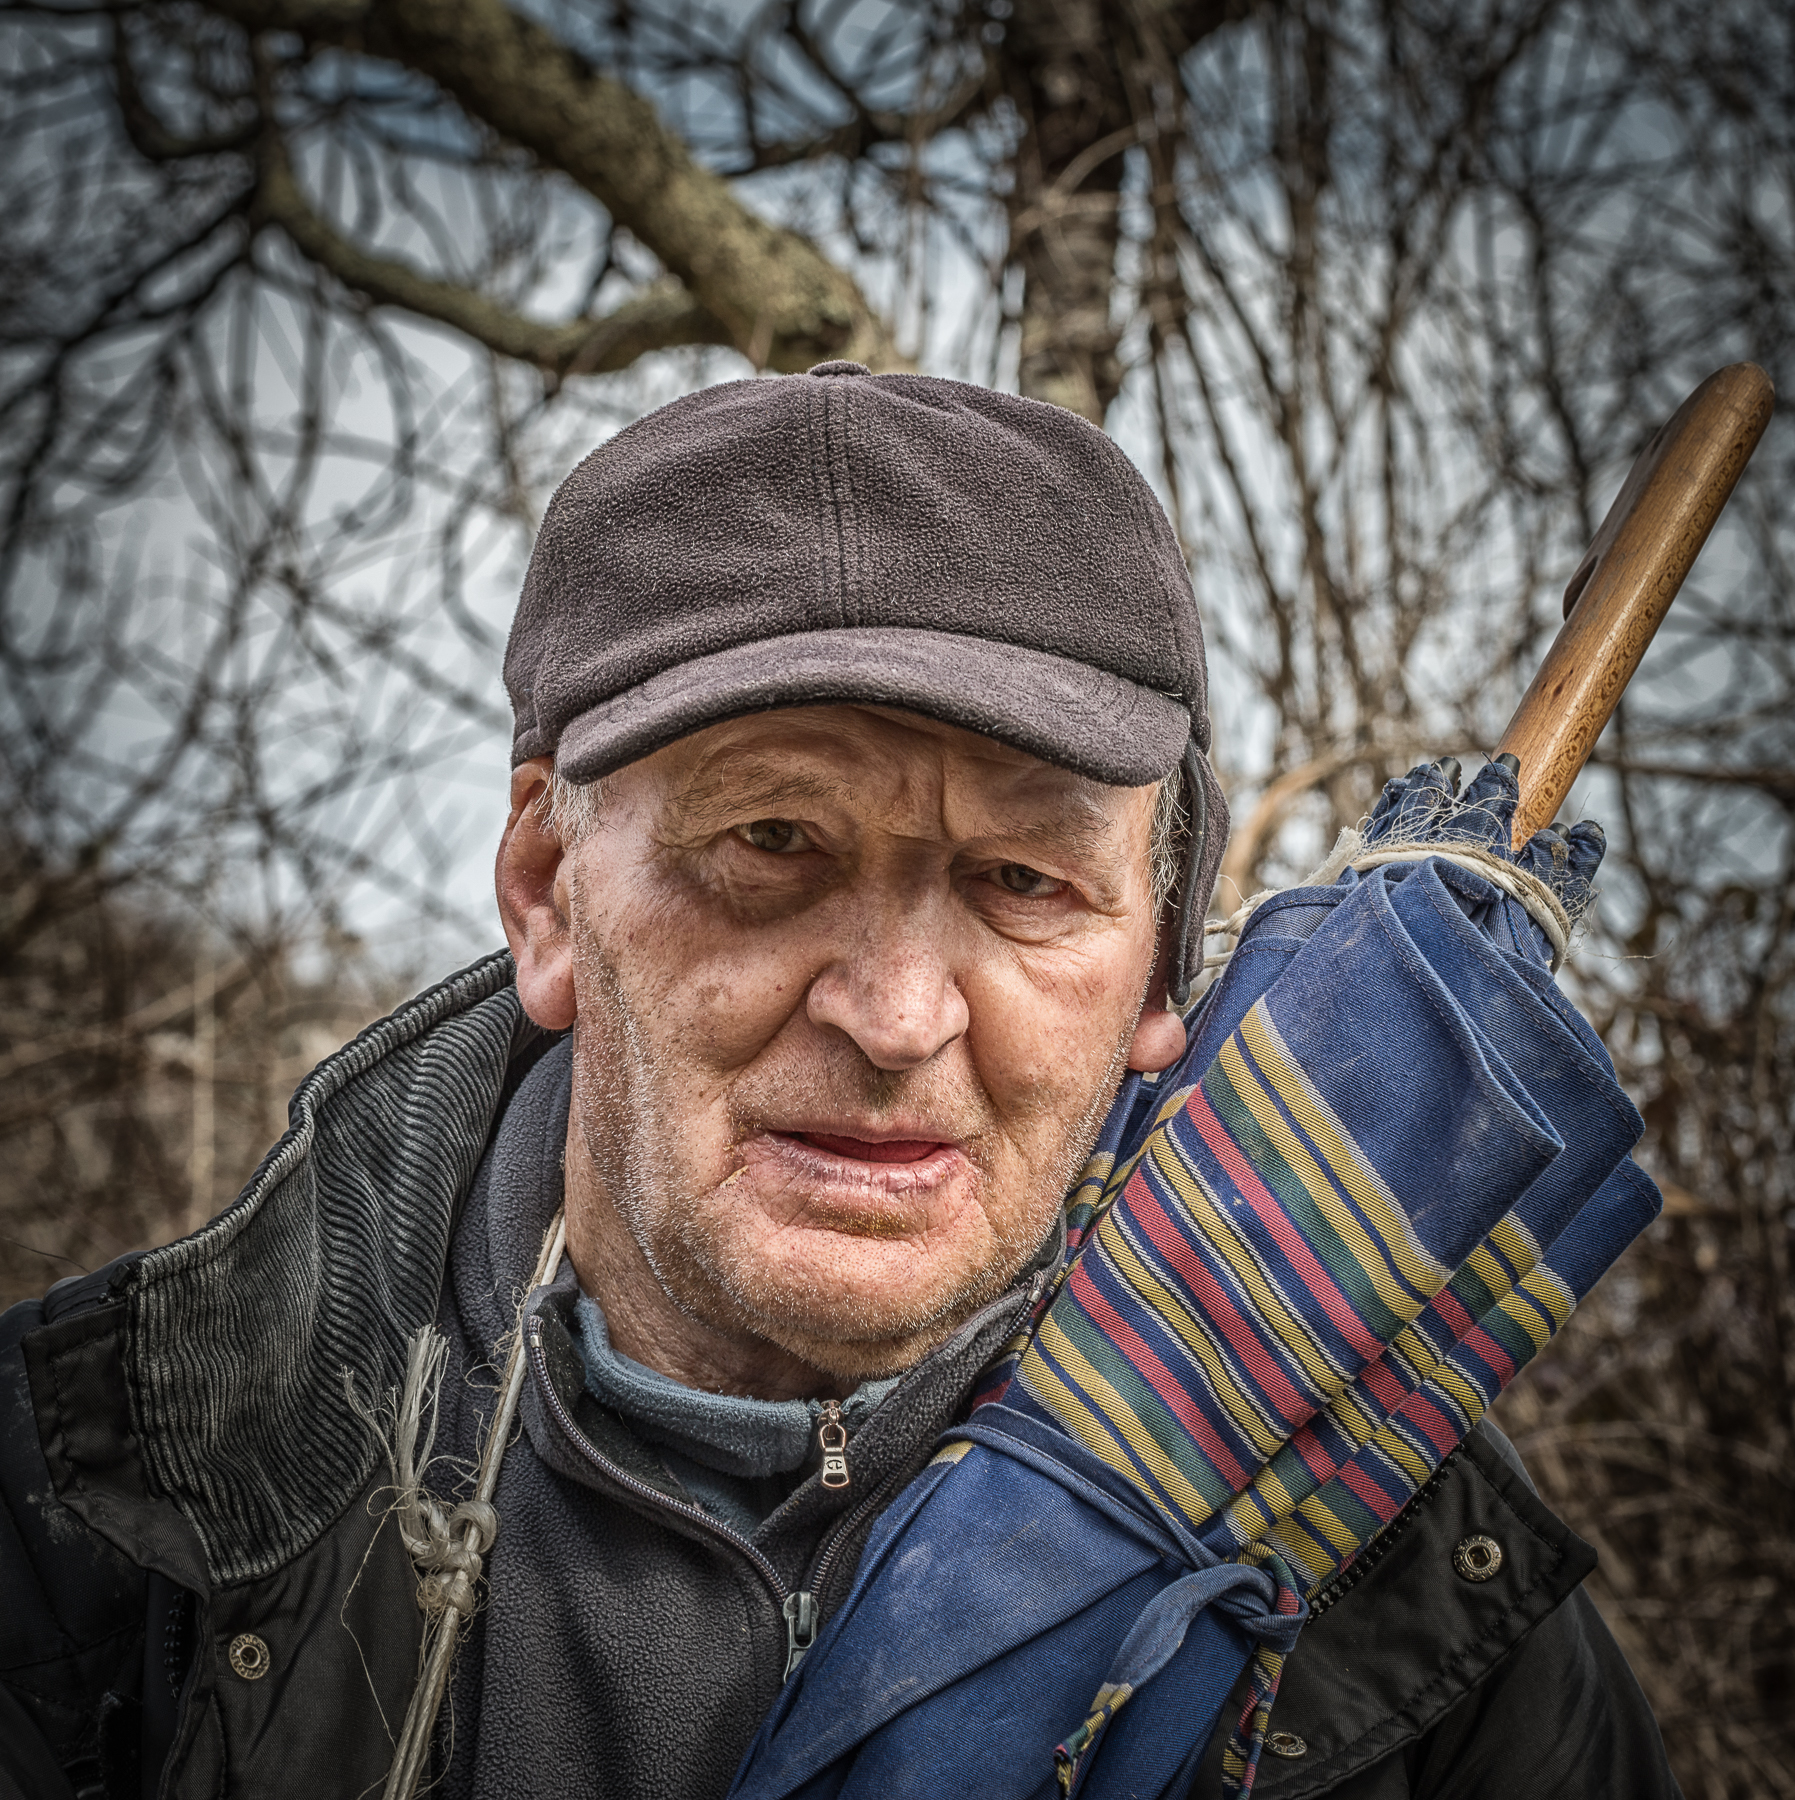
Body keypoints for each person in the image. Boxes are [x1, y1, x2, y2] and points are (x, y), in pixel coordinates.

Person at [0, 362, 1679, 1800]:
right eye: (772, 842)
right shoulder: (95, 1512)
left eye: (1027, 881)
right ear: (545, 890)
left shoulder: (1397, 1576)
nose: (893, 1017)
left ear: (1162, 962)